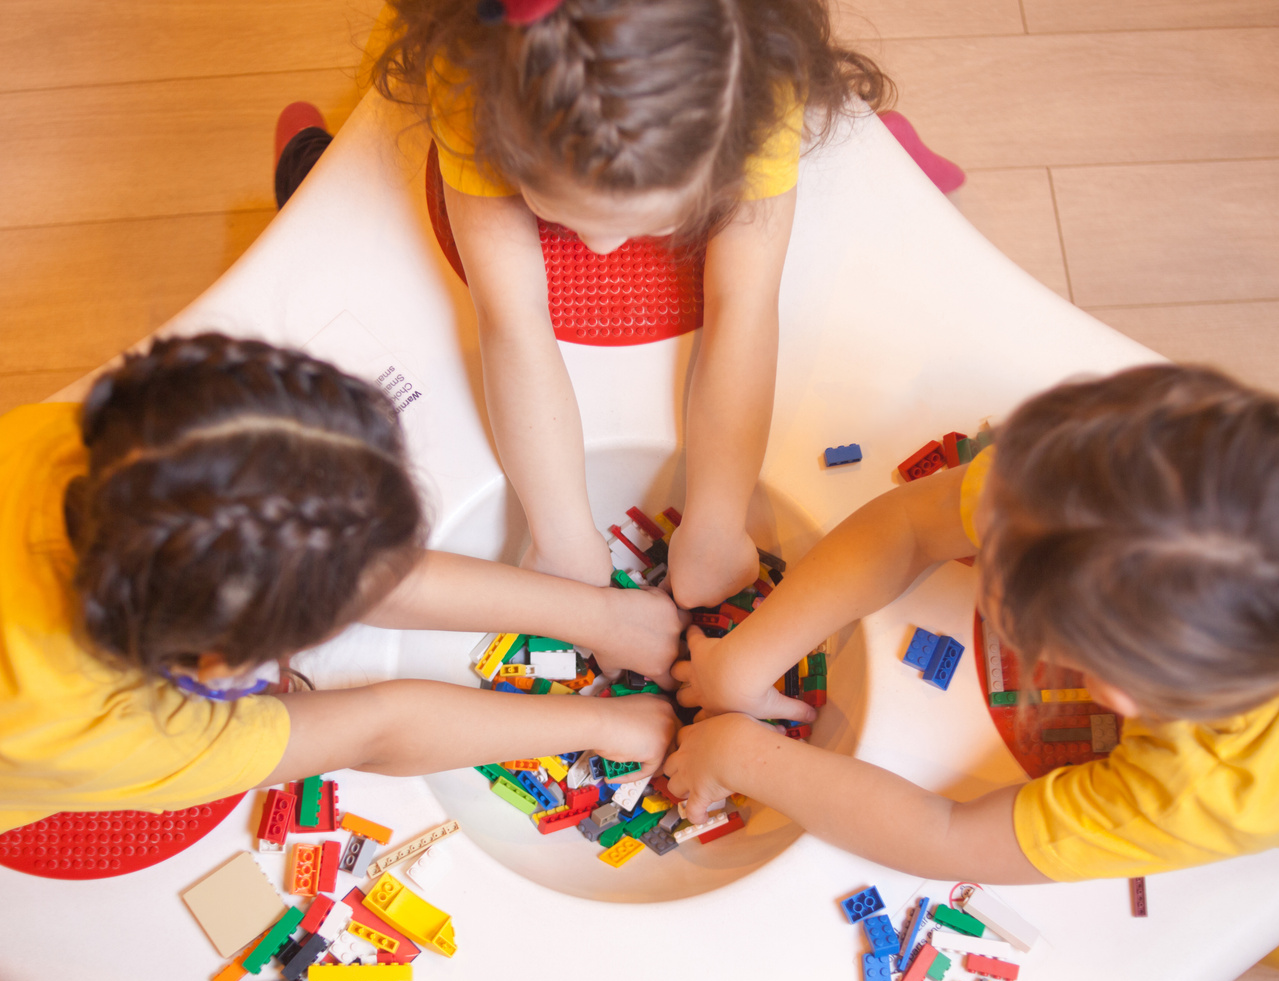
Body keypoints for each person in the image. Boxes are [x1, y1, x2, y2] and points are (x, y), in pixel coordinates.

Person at [0, 334, 682, 973]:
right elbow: (373, 729)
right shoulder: (77, 723)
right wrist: (601, 722)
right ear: (216, 673)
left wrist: (600, 618)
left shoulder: (99, 456)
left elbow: (362, 572)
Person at [664, 364, 1279, 884]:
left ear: (1111, 690)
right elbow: (913, 522)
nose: (966, 510)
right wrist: (742, 662)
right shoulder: (1220, 491)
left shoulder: (1215, 791)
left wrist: (742, 755)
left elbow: (950, 839)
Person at [277, 0, 890, 609]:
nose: (602, 248)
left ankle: (899, 146)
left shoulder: (757, 87)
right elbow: (510, 317)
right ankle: (309, 158)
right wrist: (560, 536)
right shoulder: (476, 79)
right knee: (340, 202)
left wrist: (718, 524)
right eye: (563, 211)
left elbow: (747, 303)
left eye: (652, 223)